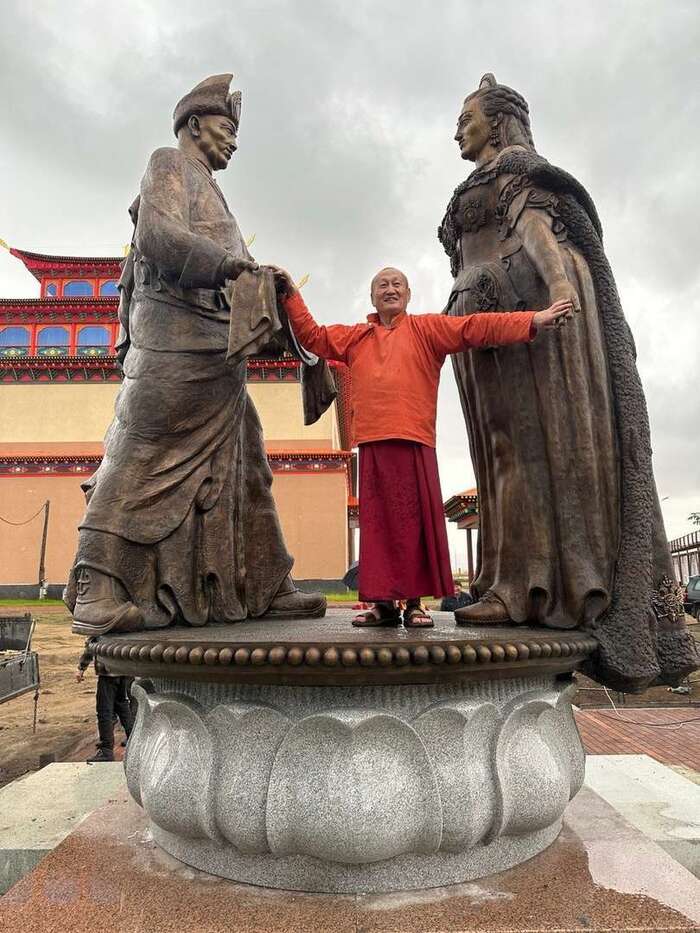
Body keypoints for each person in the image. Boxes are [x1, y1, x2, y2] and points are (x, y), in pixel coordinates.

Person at [438, 73, 699, 690]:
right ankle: (511, 583)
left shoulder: (521, 171)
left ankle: (536, 585)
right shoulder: (482, 179)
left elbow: (536, 233)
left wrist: (557, 290)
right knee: (501, 452)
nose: (458, 128)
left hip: (527, 309)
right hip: (486, 313)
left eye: (466, 116)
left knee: (531, 448)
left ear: (499, 122)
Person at [63, 74, 326, 636]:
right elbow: (158, 237)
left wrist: (274, 295)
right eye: (226, 128)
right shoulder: (167, 164)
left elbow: (239, 276)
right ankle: (95, 581)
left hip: (218, 353)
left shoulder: (215, 193)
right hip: (172, 339)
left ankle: (261, 581)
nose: (233, 141)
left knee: (246, 460)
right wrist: (231, 266)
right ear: (193, 125)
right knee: (142, 450)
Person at [270, 264, 571, 627]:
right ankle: (382, 605)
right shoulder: (356, 337)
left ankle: (414, 604)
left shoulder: (428, 329)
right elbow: (313, 336)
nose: (390, 289)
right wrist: (290, 292)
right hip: (373, 442)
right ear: (372, 297)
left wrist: (533, 320)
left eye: (397, 284)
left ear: (408, 295)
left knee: (414, 527)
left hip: (414, 439)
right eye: (382, 284)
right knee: (378, 529)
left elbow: (475, 328)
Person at [75, 637, 133, 763]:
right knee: (122, 706)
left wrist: (81, 668)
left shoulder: (103, 620)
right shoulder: (122, 621)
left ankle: (106, 750)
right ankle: (135, 740)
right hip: (124, 670)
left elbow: (92, 645)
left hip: (108, 671)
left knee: (104, 711)